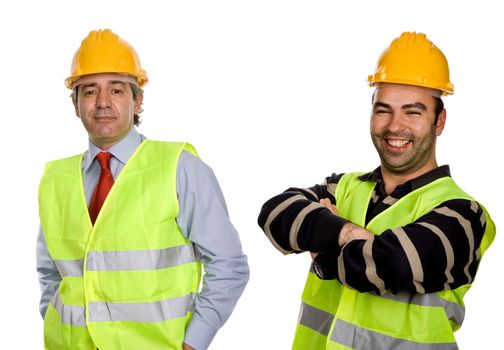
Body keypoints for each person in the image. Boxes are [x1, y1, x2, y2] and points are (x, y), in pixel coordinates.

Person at [258, 31, 495, 349]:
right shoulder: (344, 186)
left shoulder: (463, 215)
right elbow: (273, 214)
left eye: (413, 112)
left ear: (439, 121)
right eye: (383, 110)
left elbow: (392, 265)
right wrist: (345, 235)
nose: (395, 125)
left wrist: (323, 246)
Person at [36, 29, 249, 350]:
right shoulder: (56, 177)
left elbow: (229, 265)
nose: (103, 102)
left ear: (138, 100)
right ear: (76, 104)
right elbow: (50, 271)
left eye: (117, 90)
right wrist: (53, 316)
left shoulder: (179, 167)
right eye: (90, 91)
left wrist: (194, 342)